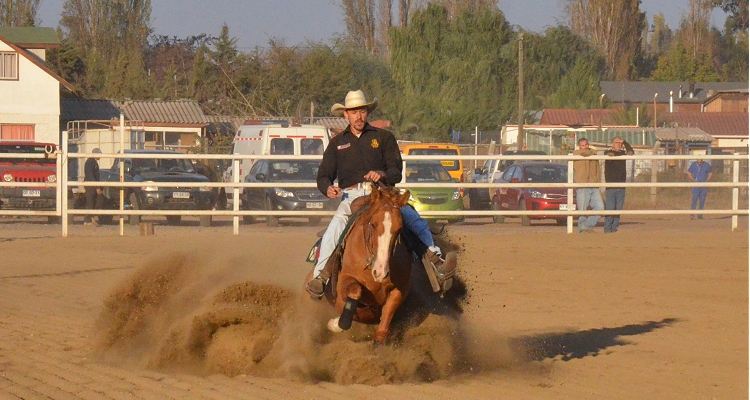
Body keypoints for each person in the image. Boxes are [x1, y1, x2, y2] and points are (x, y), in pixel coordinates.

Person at [305, 90, 456, 298]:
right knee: (335, 228)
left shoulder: (384, 137)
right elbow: (323, 175)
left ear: (367, 113)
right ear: (345, 115)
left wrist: (382, 173)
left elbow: (396, 170)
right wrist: (327, 188)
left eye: (362, 111)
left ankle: (437, 263)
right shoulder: (337, 143)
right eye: (354, 112)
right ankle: (320, 276)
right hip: (352, 197)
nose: (358, 116)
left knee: (414, 220)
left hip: (384, 194)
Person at [603, 137, 634, 233]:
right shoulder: (607, 153)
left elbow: (631, 152)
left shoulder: (622, 154)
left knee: (618, 209)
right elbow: (608, 154)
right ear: (612, 144)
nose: (618, 145)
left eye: (620, 143)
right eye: (616, 143)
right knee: (610, 209)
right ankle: (608, 230)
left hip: (621, 186)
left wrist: (625, 141)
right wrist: (612, 153)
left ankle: (614, 229)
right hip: (611, 187)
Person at [573, 138, 604, 233]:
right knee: (582, 211)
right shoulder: (576, 154)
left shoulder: (594, 155)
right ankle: (582, 233)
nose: (585, 147)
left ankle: (586, 226)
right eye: (583, 145)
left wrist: (598, 181)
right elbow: (580, 154)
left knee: (600, 208)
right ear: (579, 146)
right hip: (582, 185)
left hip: (593, 185)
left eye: (586, 144)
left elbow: (597, 170)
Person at [84, 148, 104, 226]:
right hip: (90, 185)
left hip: (92, 184)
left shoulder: (93, 162)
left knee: (94, 201)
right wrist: (97, 187)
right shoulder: (90, 162)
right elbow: (90, 175)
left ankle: (91, 217)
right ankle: (87, 220)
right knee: (90, 201)